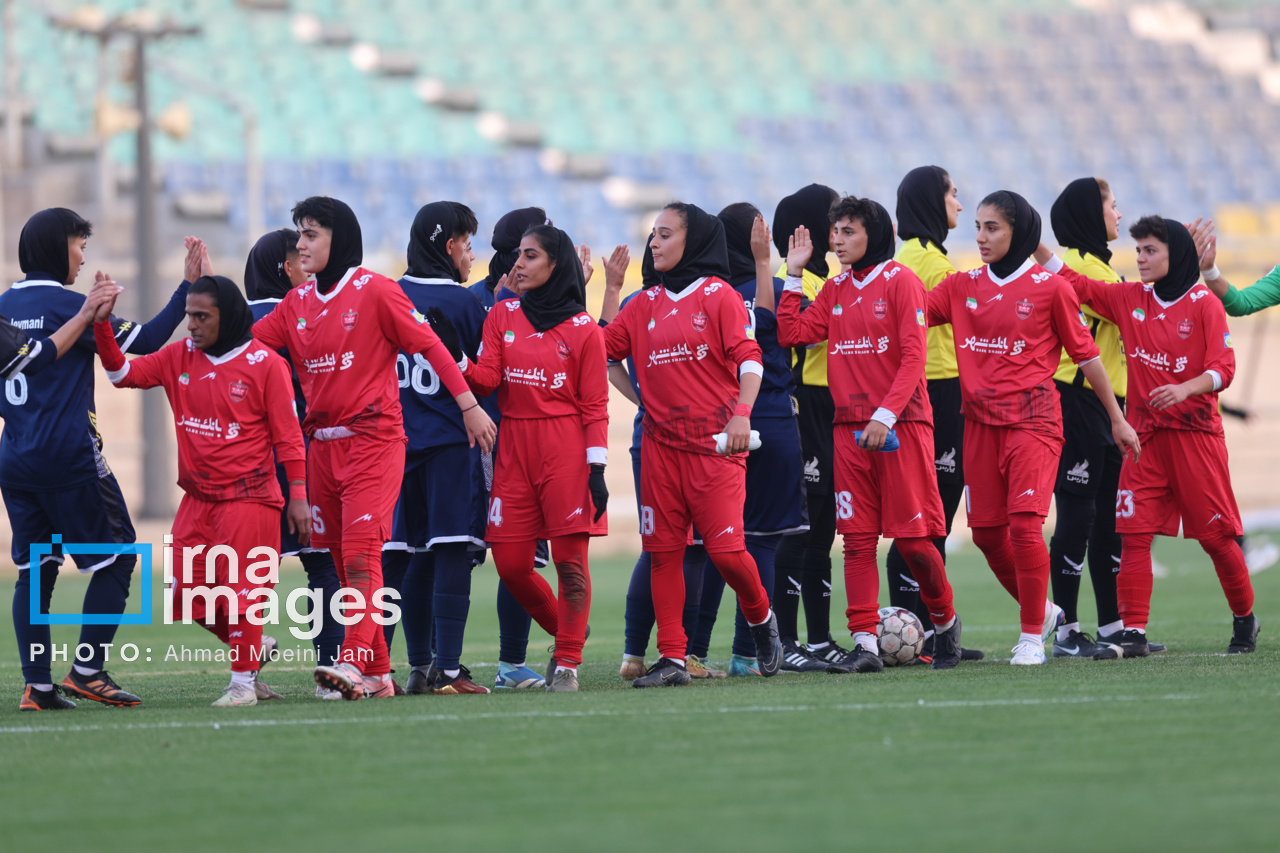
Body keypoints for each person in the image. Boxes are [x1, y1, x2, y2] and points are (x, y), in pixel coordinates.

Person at [251, 196, 495, 701]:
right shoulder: (294, 306)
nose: (301, 243)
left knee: (364, 558)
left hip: (375, 443)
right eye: (300, 233)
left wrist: (469, 404)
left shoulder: (376, 292)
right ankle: (381, 674)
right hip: (321, 449)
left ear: (340, 240)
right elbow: (245, 349)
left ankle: (352, 661)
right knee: (343, 565)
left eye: (312, 233)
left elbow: (431, 346)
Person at [925, 190, 1139, 665]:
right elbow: (912, 311)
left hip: (1034, 422)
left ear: (1018, 231)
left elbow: (1088, 357)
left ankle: (1029, 639)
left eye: (992, 227)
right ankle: (1041, 611)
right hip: (978, 426)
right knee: (985, 535)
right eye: (977, 226)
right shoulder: (962, 287)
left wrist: (1118, 419)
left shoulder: (1051, 288)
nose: (979, 236)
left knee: (1025, 527)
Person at [1036, 218, 1259, 658]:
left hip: (1196, 439)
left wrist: (1187, 387)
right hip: (1144, 440)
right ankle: (1133, 631)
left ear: (1174, 255)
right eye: (1137, 250)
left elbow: (1225, 369)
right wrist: (1032, 241)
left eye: (1149, 250)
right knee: (1133, 534)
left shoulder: (1204, 305)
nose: (1139, 259)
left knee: (1216, 537)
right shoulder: (1129, 298)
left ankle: (1244, 619)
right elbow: (1074, 283)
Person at [3, 208, 193, 711]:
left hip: (16, 458)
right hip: (68, 456)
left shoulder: (2, 306)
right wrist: (186, 289)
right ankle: (88, 669)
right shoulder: (70, 305)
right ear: (54, 248)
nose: (83, 255)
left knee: (36, 571)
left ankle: (37, 686)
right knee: (120, 554)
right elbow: (147, 342)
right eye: (77, 244)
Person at [94, 274, 307, 705]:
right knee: (188, 596)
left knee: (243, 596)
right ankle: (253, 649)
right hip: (198, 500)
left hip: (250, 496)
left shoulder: (266, 364)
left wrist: (299, 495)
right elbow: (121, 374)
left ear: (225, 318)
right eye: (189, 315)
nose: (190, 324)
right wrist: (101, 324)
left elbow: (289, 437)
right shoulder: (179, 357)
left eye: (200, 316)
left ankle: (243, 685)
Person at [779, 196, 964, 672]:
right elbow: (793, 333)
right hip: (849, 431)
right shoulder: (836, 289)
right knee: (857, 541)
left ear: (874, 234)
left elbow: (913, 357)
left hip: (900, 426)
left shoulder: (902, 282)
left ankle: (944, 623)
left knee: (915, 543)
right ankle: (864, 644)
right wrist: (794, 275)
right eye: (835, 232)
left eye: (848, 232)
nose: (837, 241)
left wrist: (885, 415)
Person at [601, 202, 782, 688]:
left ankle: (762, 619)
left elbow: (750, 358)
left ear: (693, 240)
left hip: (715, 447)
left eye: (664, 234)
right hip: (660, 450)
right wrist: (607, 294)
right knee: (663, 553)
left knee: (725, 553)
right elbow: (600, 351)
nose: (654, 243)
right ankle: (673, 659)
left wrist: (742, 414)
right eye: (652, 235)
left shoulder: (719, 296)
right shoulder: (641, 305)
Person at [448, 224, 608, 693]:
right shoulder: (502, 316)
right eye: (519, 254)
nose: (519, 263)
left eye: (531, 255)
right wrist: (454, 355)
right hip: (513, 447)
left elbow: (595, 406)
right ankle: (569, 631)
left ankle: (569, 662)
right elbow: (485, 379)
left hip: (566, 451)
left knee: (571, 564)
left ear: (555, 265)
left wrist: (595, 469)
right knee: (513, 564)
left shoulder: (584, 330)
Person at [1043, 179, 1165, 658]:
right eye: (1112, 206)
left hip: (1109, 407)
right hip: (1075, 400)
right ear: (1091, 215)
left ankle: (1112, 624)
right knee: (1077, 512)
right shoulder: (1075, 269)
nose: (1118, 213)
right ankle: (1068, 631)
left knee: (1109, 518)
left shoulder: (1100, 268)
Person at [686, 204, 810, 673]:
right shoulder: (776, 290)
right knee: (758, 543)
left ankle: (692, 650)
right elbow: (804, 333)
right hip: (773, 419)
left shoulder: (704, 297)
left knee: (715, 542)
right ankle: (746, 653)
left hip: (717, 427)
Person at [382, 201, 493, 695]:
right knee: (450, 551)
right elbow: (483, 381)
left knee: (403, 555)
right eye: (469, 245)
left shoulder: (388, 294)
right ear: (449, 246)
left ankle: (403, 667)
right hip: (451, 442)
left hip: (395, 447)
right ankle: (448, 670)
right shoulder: (467, 304)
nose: (473, 256)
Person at [886, 166, 984, 665]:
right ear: (930, 201)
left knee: (929, 519)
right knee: (926, 521)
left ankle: (924, 630)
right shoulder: (928, 265)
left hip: (934, 393)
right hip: (938, 393)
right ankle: (924, 630)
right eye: (953, 194)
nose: (960, 205)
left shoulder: (915, 258)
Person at [608, 244, 719, 680]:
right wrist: (647, 403)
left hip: (649, 432)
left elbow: (609, 359)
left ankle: (634, 654)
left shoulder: (636, 303)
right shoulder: (672, 302)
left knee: (657, 546)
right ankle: (681, 652)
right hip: (674, 437)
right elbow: (605, 352)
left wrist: (641, 402)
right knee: (687, 550)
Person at [244, 228, 346, 694]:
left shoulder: (233, 322)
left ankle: (246, 673)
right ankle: (330, 673)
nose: (307, 262)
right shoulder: (300, 314)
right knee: (322, 565)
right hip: (299, 457)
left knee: (254, 572)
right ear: (285, 269)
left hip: (245, 463)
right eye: (298, 257)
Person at [469, 206, 553, 689]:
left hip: (473, 445)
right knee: (520, 562)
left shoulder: (474, 299)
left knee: (454, 553)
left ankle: (437, 662)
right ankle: (510, 663)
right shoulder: (513, 306)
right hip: (513, 446)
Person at [770, 184, 847, 667]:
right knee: (798, 530)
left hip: (831, 409)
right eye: (833, 220)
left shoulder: (827, 278)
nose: (838, 230)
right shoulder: (789, 280)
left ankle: (819, 638)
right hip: (802, 407)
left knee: (824, 530)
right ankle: (788, 641)